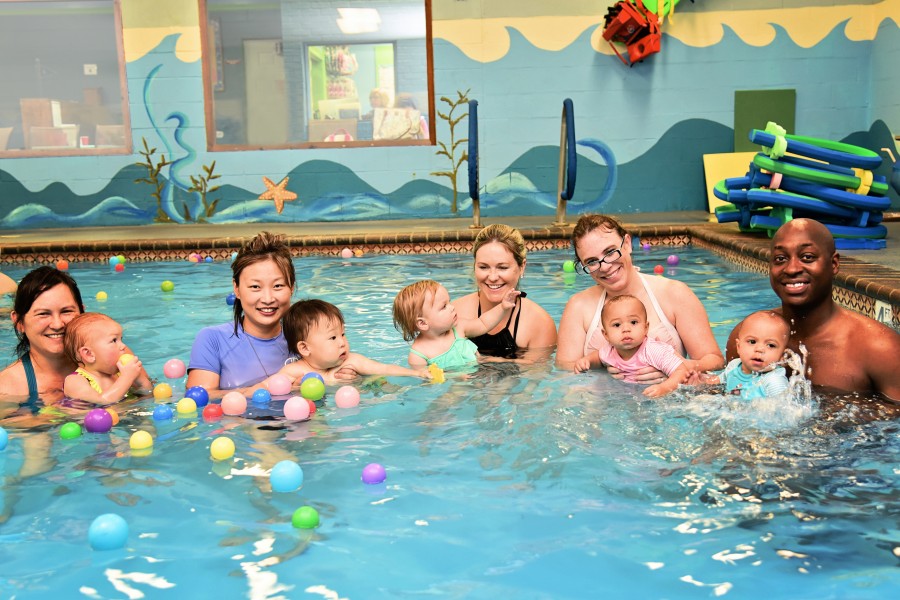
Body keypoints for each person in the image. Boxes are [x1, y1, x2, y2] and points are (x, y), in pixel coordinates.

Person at [726, 218, 900, 401]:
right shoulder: (748, 338)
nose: (792, 269)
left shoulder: (880, 348)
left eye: (807, 257)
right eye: (780, 259)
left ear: (833, 264)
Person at [556, 214, 724, 378]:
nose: (605, 266)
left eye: (610, 252)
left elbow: (714, 361)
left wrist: (675, 367)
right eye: (592, 261)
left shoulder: (674, 294)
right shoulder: (578, 306)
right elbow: (564, 370)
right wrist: (608, 366)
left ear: (627, 243)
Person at [187, 231, 298, 397]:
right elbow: (199, 399)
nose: (268, 299)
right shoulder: (212, 339)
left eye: (278, 286)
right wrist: (260, 390)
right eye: (255, 287)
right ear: (236, 289)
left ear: (292, 288)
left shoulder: (304, 336)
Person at [452, 224, 557, 360]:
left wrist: (484, 362)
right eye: (483, 267)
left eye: (502, 267)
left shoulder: (539, 324)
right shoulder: (454, 313)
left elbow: (535, 377)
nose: (493, 277)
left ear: (521, 267)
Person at [281, 299, 430, 384]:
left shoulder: (351, 361)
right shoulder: (295, 371)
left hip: (357, 401)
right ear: (305, 348)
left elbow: (383, 368)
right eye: (333, 337)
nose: (342, 342)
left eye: (343, 334)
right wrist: (295, 388)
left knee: (384, 385)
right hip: (314, 408)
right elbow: (266, 388)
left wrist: (417, 373)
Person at [574, 295, 688, 398]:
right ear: (606, 335)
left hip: (661, 395)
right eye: (617, 325)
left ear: (646, 328)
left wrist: (664, 388)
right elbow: (599, 357)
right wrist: (587, 361)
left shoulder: (653, 351)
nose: (626, 329)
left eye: (633, 322)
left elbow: (682, 371)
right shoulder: (610, 351)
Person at [0, 266, 85, 403]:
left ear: (82, 314)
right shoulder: (6, 390)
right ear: (19, 322)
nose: (57, 325)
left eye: (66, 311)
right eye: (43, 314)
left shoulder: (108, 363)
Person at [393, 279, 520, 369]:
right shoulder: (419, 355)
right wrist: (456, 376)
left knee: (509, 364)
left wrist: (503, 307)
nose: (452, 307)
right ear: (422, 323)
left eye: (449, 302)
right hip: (455, 383)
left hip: (481, 365)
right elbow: (427, 379)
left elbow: (484, 323)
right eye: (444, 306)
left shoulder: (458, 328)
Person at [696, 310, 790, 400]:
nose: (759, 349)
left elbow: (784, 411)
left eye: (771, 345)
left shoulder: (774, 381)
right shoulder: (734, 366)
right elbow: (718, 382)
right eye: (752, 342)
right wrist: (702, 381)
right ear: (739, 347)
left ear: (782, 356)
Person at [61, 312, 152, 403]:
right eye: (114, 340)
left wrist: (139, 379)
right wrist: (127, 377)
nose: (123, 346)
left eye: (121, 339)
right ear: (89, 354)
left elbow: (148, 393)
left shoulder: (119, 374)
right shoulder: (75, 381)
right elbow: (103, 401)